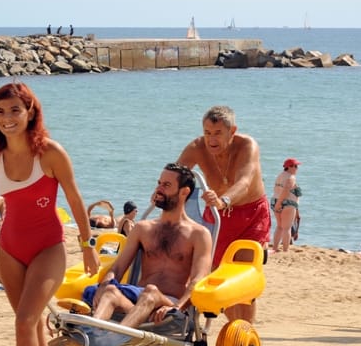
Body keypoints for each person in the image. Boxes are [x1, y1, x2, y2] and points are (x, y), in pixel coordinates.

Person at [0, 82, 99, 346]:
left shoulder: (50, 152)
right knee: (28, 325)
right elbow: (12, 204)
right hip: (9, 249)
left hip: (49, 247)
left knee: (23, 323)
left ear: (31, 112)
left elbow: (76, 200)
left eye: (15, 110)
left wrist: (88, 245)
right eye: (0, 112)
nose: (7, 118)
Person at [83, 163, 212, 329]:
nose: (159, 189)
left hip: (169, 310)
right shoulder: (143, 228)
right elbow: (118, 267)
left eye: (166, 185)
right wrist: (105, 284)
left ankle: (114, 337)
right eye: (159, 183)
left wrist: (177, 307)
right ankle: (94, 339)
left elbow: (198, 280)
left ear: (184, 192)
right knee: (110, 292)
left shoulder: (199, 234)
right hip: (138, 305)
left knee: (151, 292)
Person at [176, 105, 270, 324]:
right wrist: (161, 192)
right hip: (218, 215)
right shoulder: (197, 147)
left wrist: (223, 200)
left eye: (218, 133)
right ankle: (233, 328)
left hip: (251, 213)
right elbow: (175, 173)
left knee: (242, 275)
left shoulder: (247, 145)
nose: (212, 139)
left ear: (232, 131)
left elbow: (245, 182)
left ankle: (245, 331)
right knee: (217, 275)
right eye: (207, 132)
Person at [271, 158, 303, 252]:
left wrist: (277, 203)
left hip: (274, 200)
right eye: (295, 166)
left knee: (279, 226)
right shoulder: (291, 177)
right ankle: (285, 250)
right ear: (289, 167)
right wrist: (279, 203)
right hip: (286, 202)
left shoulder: (280, 175)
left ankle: (275, 248)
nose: (297, 168)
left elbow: (278, 189)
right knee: (286, 228)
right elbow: (285, 190)